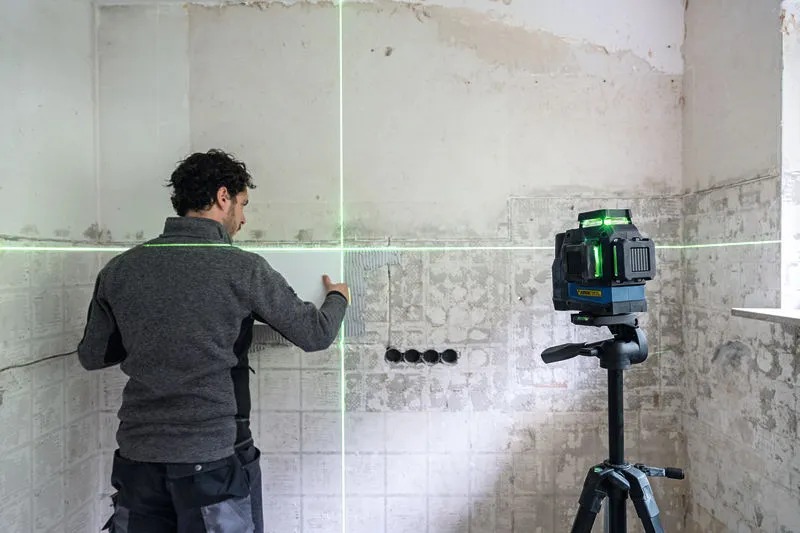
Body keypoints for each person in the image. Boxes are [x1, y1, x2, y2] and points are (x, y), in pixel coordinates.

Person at [77, 149, 349, 533]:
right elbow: (316, 334)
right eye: (242, 204)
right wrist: (339, 297)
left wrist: (151, 330)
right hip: (212, 462)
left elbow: (93, 356)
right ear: (223, 197)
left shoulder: (119, 269)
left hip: (138, 459)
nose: (243, 218)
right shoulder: (242, 267)